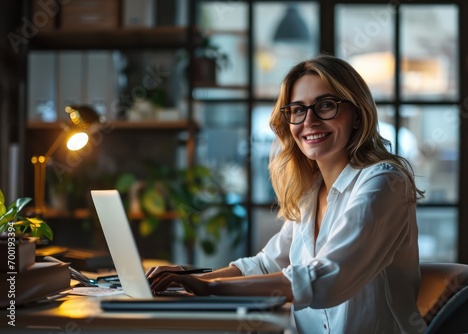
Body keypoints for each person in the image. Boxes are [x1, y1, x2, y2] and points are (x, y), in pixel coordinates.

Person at [147, 54, 427, 334]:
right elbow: (265, 264)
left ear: (356, 114)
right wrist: (187, 277)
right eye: (297, 109)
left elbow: (327, 280)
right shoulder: (312, 190)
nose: (310, 121)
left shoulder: (384, 182)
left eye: (326, 106)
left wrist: (209, 288)